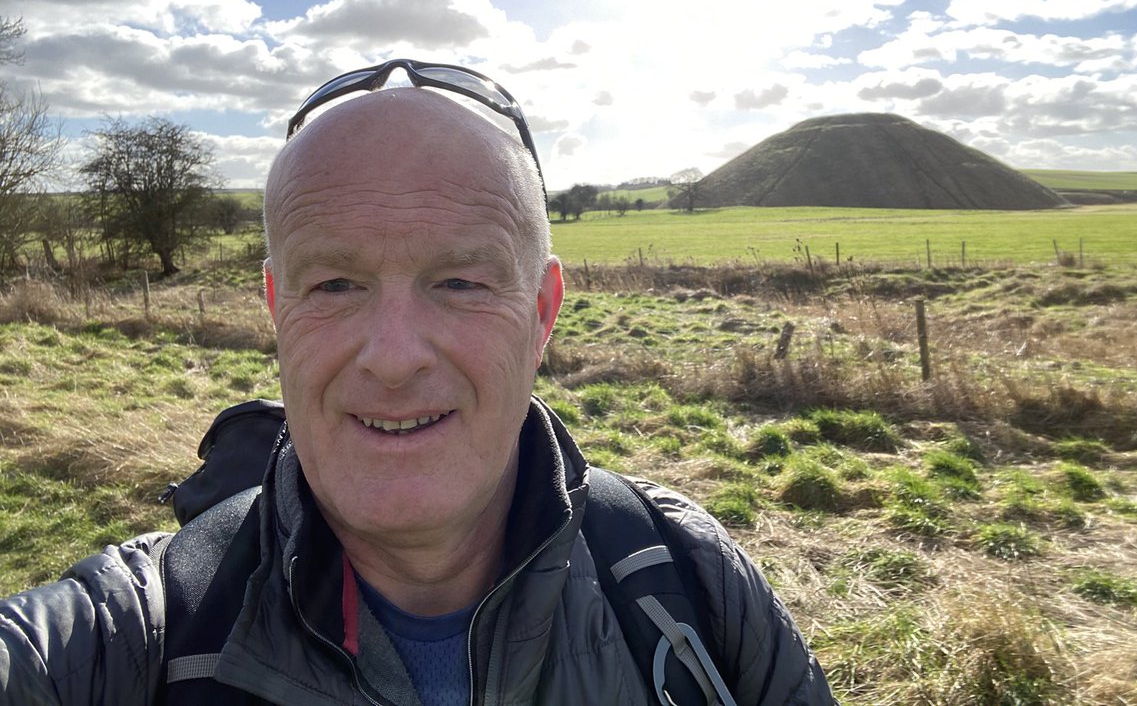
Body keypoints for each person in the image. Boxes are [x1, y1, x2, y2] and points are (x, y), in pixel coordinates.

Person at [0, 61, 835, 704]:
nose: (393, 358)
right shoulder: (139, 631)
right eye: (334, 284)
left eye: (462, 282)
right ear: (276, 307)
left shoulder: (684, 577)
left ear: (542, 312)